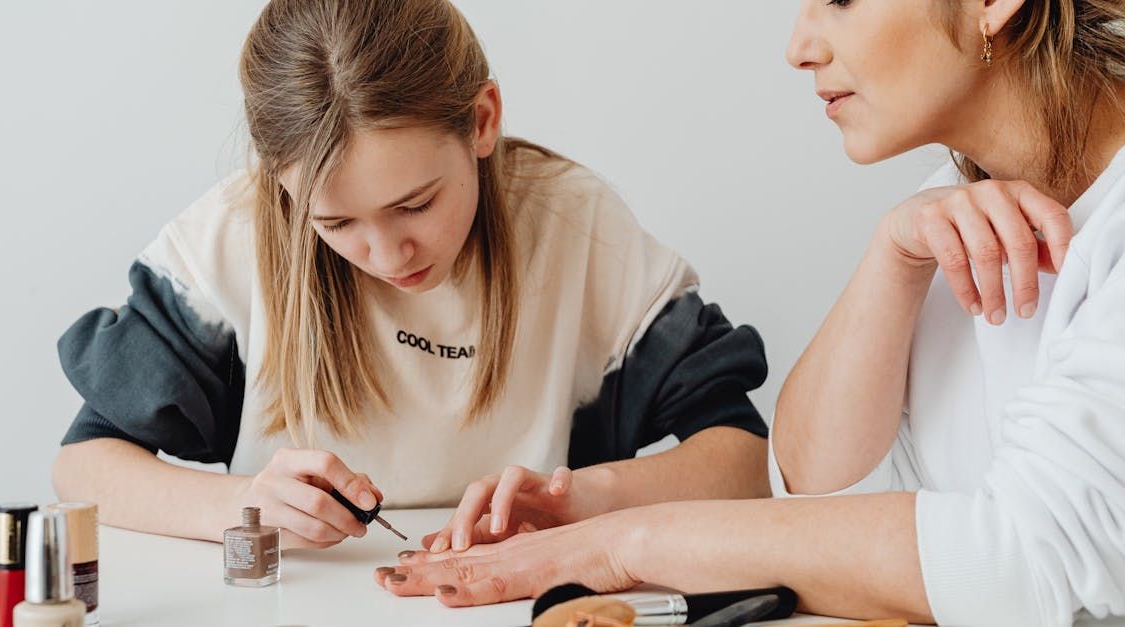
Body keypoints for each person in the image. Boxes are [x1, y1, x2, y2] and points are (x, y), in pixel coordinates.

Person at [377, 1, 1125, 625]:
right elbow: (818, 492)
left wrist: (622, 544)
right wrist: (891, 259)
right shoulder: (955, 213)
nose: (799, 47)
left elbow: (1018, 564)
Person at [50, 0, 771, 551]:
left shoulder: (578, 227)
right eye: (337, 223)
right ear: (285, 187)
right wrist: (240, 507)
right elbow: (84, 463)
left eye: (416, 205)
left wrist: (582, 497)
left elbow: (742, 457)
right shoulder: (231, 239)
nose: (390, 255)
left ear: (482, 120)